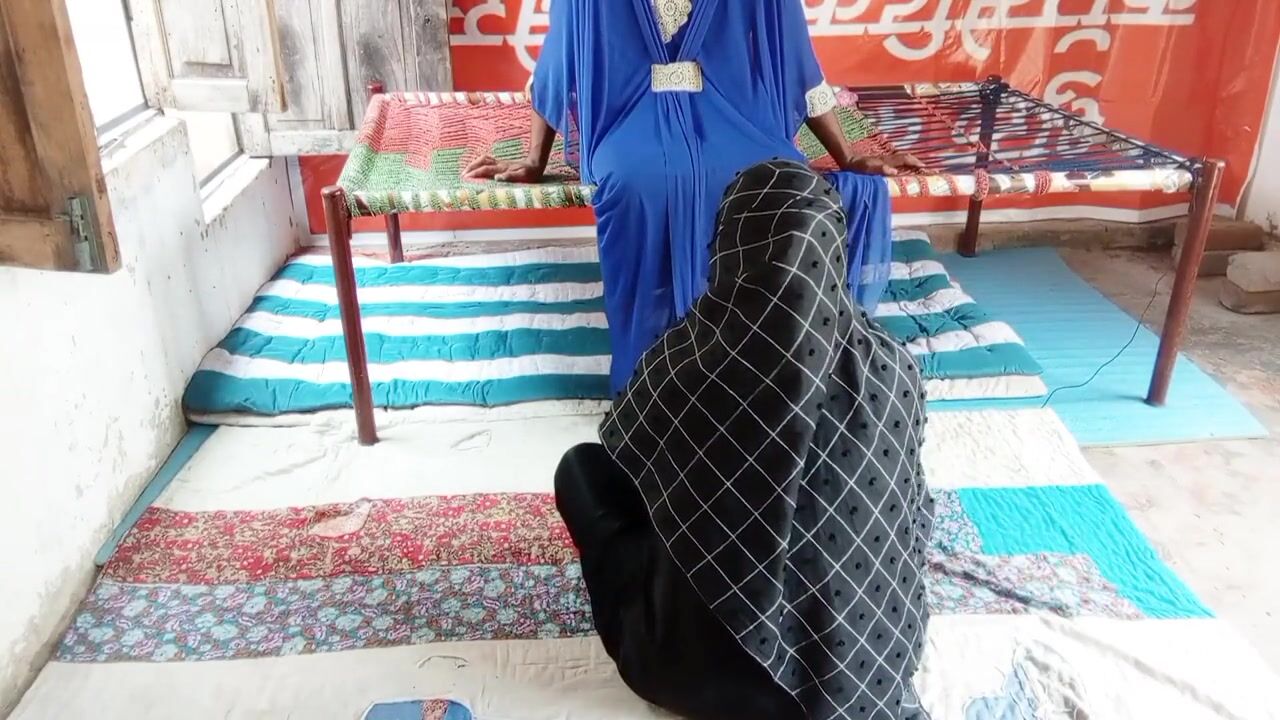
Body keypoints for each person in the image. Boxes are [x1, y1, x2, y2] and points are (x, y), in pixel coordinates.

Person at [554, 161, 935, 720]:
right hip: (854, 675)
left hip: (688, 675)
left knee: (582, 469)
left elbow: (623, 456)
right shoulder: (893, 370)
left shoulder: (684, 363)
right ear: (836, 250)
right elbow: (915, 515)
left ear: (729, 247)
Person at [464, 0, 920, 394]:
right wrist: (535, 160)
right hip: (630, 116)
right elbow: (560, 56)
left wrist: (846, 155)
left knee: (775, 182)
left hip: (733, 113)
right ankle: (648, 377)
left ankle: (761, 360)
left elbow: (797, 59)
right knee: (633, 185)